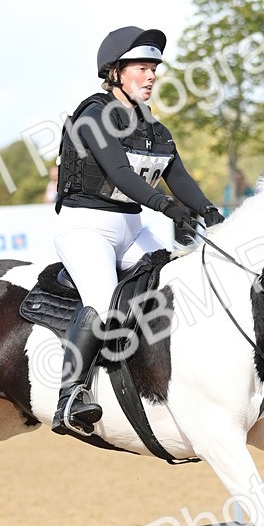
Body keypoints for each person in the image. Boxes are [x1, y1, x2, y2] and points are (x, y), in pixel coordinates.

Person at [51, 26, 223, 436]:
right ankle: (70, 396)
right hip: (85, 227)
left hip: (131, 227)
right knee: (102, 300)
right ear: (115, 73)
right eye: (142, 68)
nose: (151, 77)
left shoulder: (153, 129)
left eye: (153, 69)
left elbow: (178, 178)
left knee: (174, 286)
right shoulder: (92, 116)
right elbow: (121, 174)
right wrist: (167, 208)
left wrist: (211, 212)